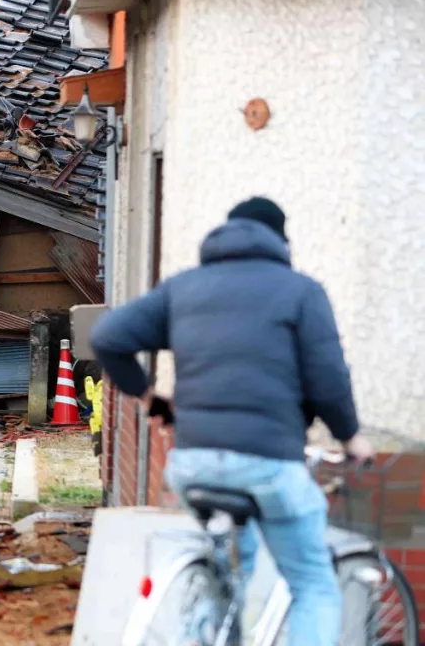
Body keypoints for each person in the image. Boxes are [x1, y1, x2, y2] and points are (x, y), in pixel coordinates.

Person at [90, 197, 373, 646]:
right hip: (268, 463)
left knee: (231, 573)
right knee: (312, 583)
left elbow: (107, 336)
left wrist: (150, 398)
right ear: (281, 240)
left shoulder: (183, 288)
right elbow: (329, 380)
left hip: (191, 464)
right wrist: (350, 437)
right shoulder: (300, 291)